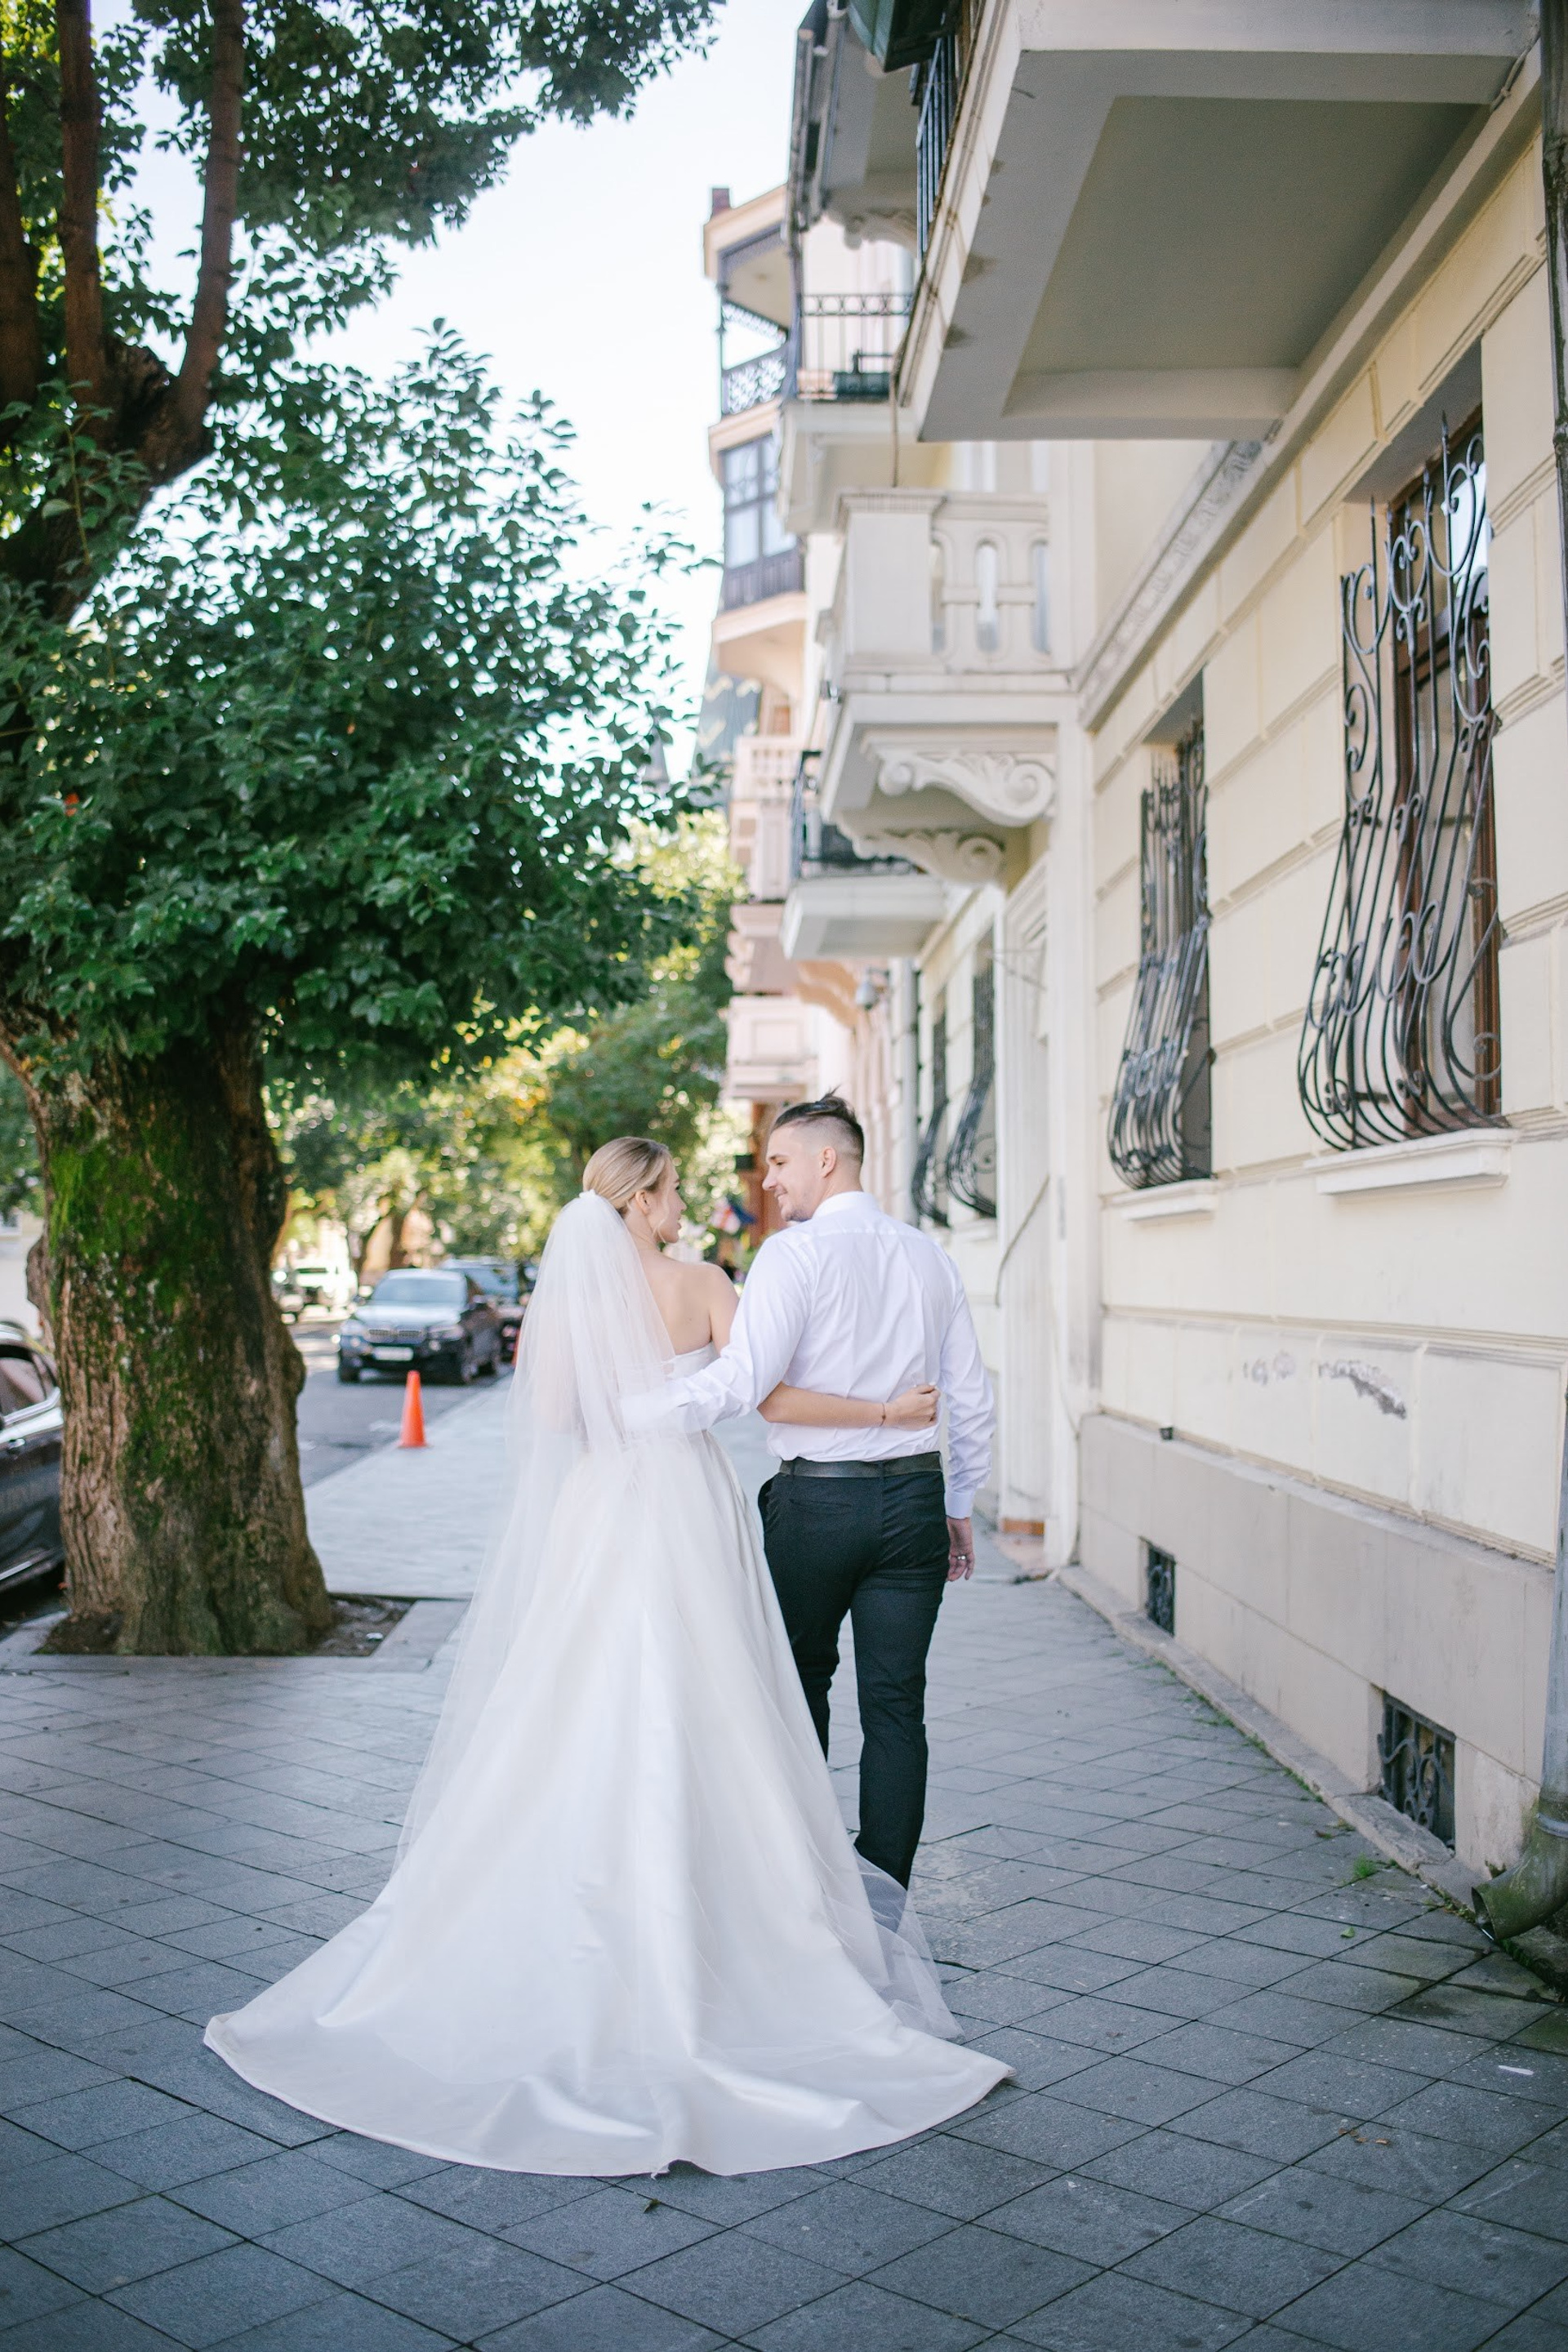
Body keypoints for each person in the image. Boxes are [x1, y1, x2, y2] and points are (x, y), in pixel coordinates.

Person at [206, 1137, 1008, 2176]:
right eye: (671, 1191)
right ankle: (769, 1903)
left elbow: (554, 1416)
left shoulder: (575, 1296)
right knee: (719, 1689)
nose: (683, 1206)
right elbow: (755, 1389)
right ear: (641, 1200)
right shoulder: (708, 1282)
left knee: (583, 1688)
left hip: (603, 1502)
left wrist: (622, 1413)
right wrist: (885, 1414)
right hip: (688, 1495)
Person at [638, 1095, 994, 1893]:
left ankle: (805, 1887)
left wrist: (632, 1414)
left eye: (779, 1162)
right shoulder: (928, 1255)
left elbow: (742, 1383)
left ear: (826, 1159)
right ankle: (886, 1899)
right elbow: (971, 1397)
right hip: (914, 1501)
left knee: (797, 1691)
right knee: (897, 1706)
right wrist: (959, 1506)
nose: (769, 1180)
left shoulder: (792, 1257)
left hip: (817, 1509)